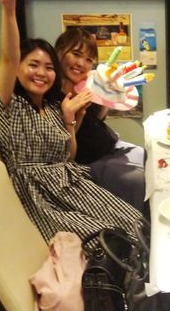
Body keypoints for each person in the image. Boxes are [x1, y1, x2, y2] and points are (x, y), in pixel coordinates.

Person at [0, 0, 143, 245]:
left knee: (133, 220)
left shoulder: (52, 106)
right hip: (39, 194)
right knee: (107, 238)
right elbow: (8, 58)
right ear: (18, 68)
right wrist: (8, 7)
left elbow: (69, 155)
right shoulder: (10, 105)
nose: (41, 73)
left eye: (48, 68)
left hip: (70, 182)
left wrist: (72, 119)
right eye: (33, 65)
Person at [54, 28, 146, 213]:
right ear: (59, 52)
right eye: (76, 54)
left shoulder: (85, 85)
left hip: (111, 145)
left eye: (89, 60)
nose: (81, 63)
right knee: (139, 180)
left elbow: (97, 119)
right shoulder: (53, 95)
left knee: (150, 158)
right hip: (91, 160)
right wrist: (74, 115)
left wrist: (109, 97)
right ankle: (139, 226)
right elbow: (65, 149)